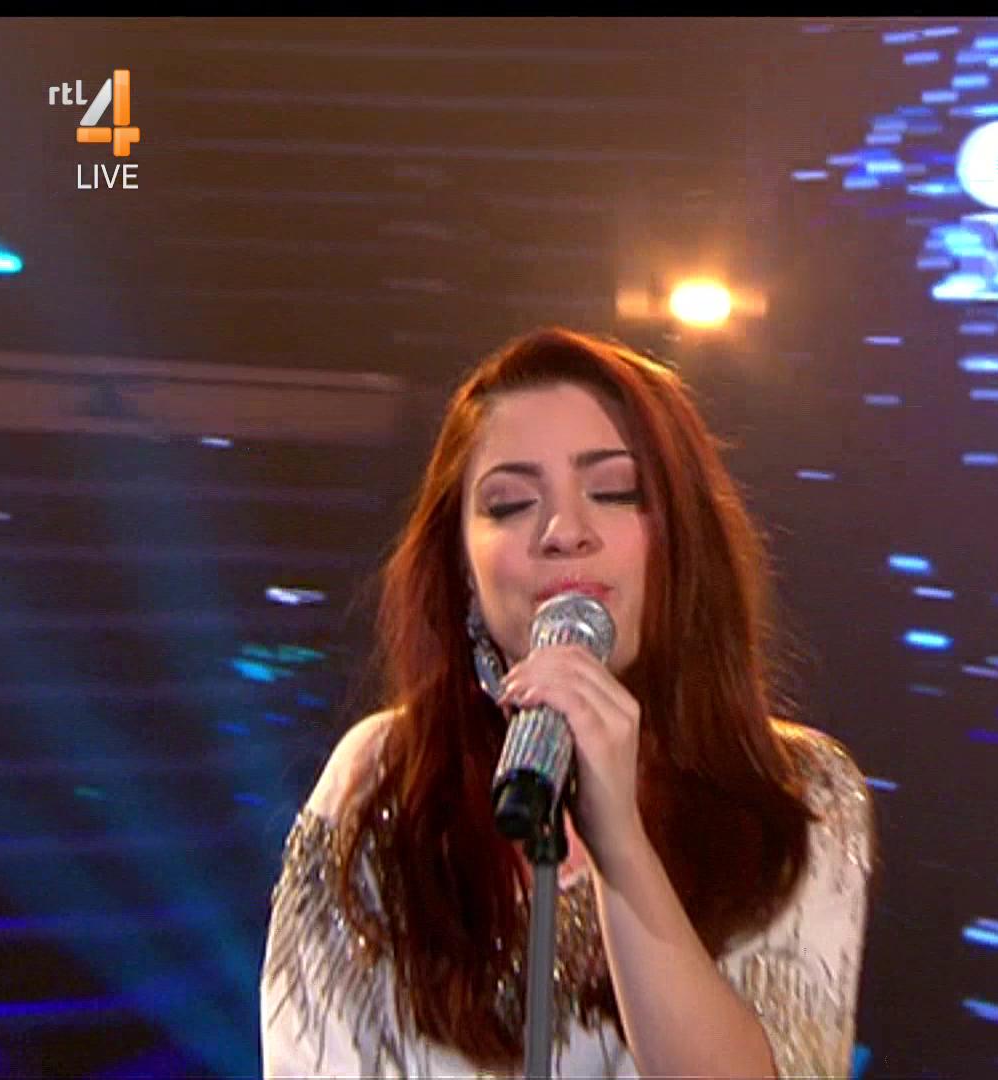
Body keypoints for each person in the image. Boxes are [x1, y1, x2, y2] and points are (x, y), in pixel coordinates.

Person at [260, 327, 875, 1077]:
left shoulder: (802, 795)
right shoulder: (381, 776)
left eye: (614, 492)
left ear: (682, 539)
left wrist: (620, 843)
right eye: (511, 503)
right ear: (462, 568)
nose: (563, 532)